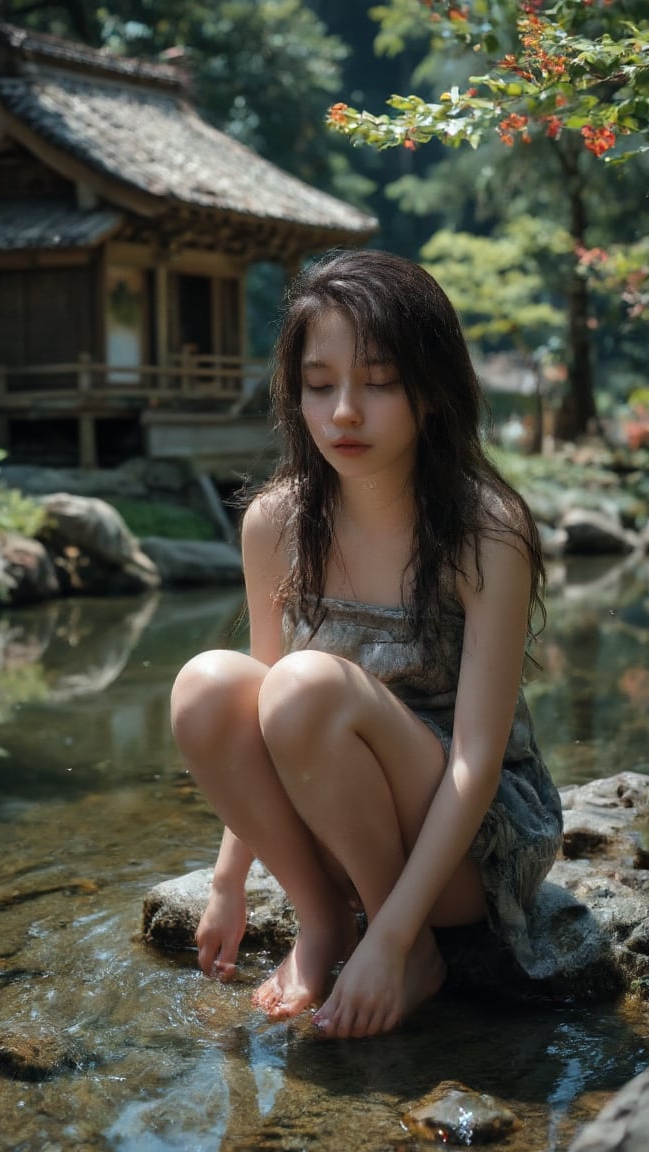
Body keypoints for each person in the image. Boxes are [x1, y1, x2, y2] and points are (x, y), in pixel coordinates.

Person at [170, 249, 563, 1040]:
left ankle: (403, 944)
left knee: (306, 685)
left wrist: (396, 935)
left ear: (432, 390)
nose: (344, 411)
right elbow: (258, 719)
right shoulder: (275, 525)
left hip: (465, 849)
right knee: (210, 683)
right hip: (337, 819)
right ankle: (325, 925)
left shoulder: (485, 532)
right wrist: (227, 881)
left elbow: (476, 761)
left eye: (379, 382)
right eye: (321, 385)